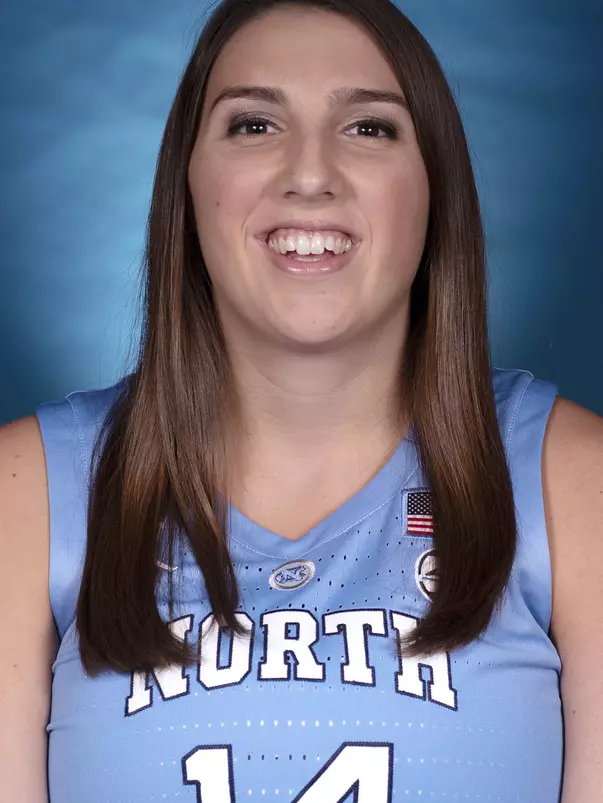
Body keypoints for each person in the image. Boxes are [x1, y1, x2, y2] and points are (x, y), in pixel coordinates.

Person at [1, 0, 601, 800]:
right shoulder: (30, 493)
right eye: (253, 125)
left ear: (434, 186)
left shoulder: (570, 478)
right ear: (188, 181)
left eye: (368, 128)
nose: (309, 174)